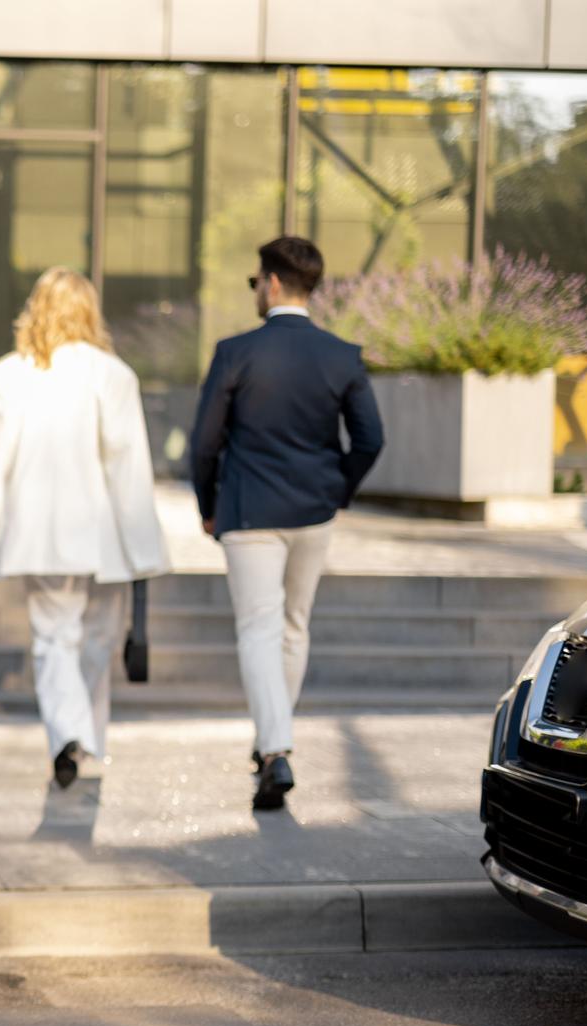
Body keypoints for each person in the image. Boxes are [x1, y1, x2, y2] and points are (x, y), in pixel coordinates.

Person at [0, 268, 170, 788]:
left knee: (54, 639)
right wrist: (144, 544)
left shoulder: (5, 374)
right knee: (94, 639)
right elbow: (128, 465)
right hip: (100, 533)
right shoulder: (111, 374)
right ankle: (81, 736)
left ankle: (70, 736)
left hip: (36, 533)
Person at [191, 235, 384, 811]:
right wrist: (338, 489)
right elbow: (371, 439)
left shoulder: (234, 352)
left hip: (249, 511)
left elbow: (204, 443)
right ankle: (270, 747)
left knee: (258, 628)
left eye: (256, 281)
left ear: (272, 282)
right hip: (313, 512)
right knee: (294, 625)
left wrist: (208, 504)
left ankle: (274, 749)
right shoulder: (342, 355)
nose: (256, 290)